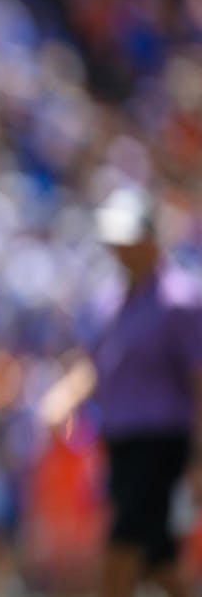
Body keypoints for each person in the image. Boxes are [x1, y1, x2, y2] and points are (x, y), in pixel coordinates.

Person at [39, 187, 202, 597]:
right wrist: (65, 397)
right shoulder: (108, 302)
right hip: (121, 444)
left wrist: (199, 461)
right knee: (157, 557)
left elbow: (198, 381)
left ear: (150, 238)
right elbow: (96, 364)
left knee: (122, 547)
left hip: (160, 444)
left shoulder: (179, 301)